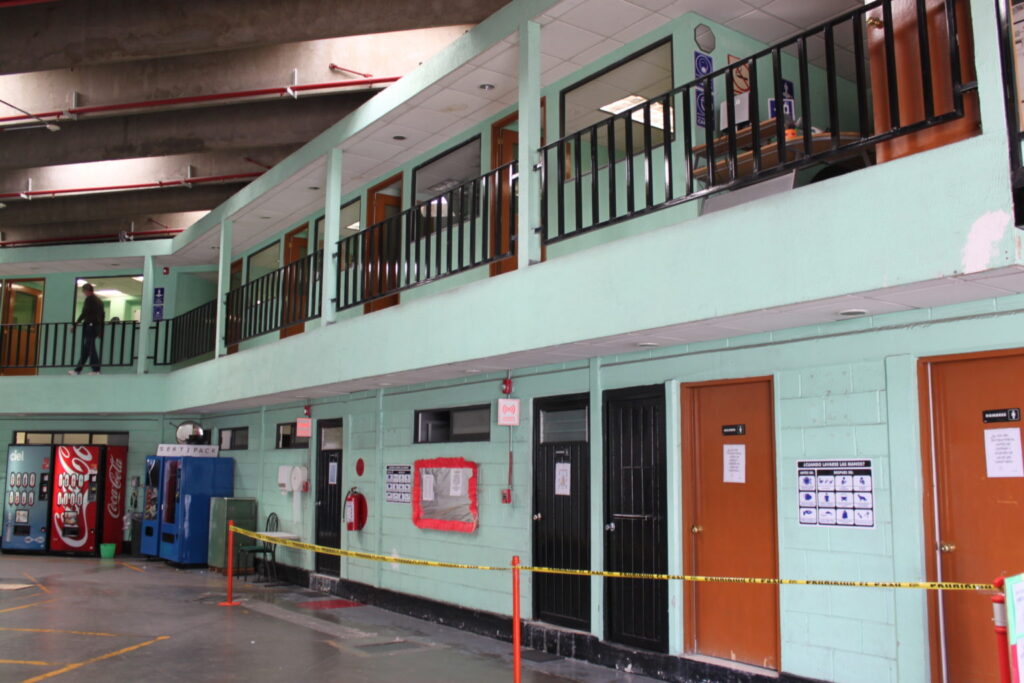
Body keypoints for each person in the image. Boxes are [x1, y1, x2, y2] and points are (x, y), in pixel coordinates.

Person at [69, 283, 104, 375]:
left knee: (90, 348)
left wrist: (75, 324)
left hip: (90, 326)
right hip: (96, 327)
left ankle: (96, 370)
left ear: (86, 291)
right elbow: (102, 316)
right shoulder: (99, 301)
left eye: (84, 292)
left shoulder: (89, 299)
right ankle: (77, 370)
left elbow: (84, 312)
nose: (84, 293)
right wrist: (100, 330)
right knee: (87, 349)